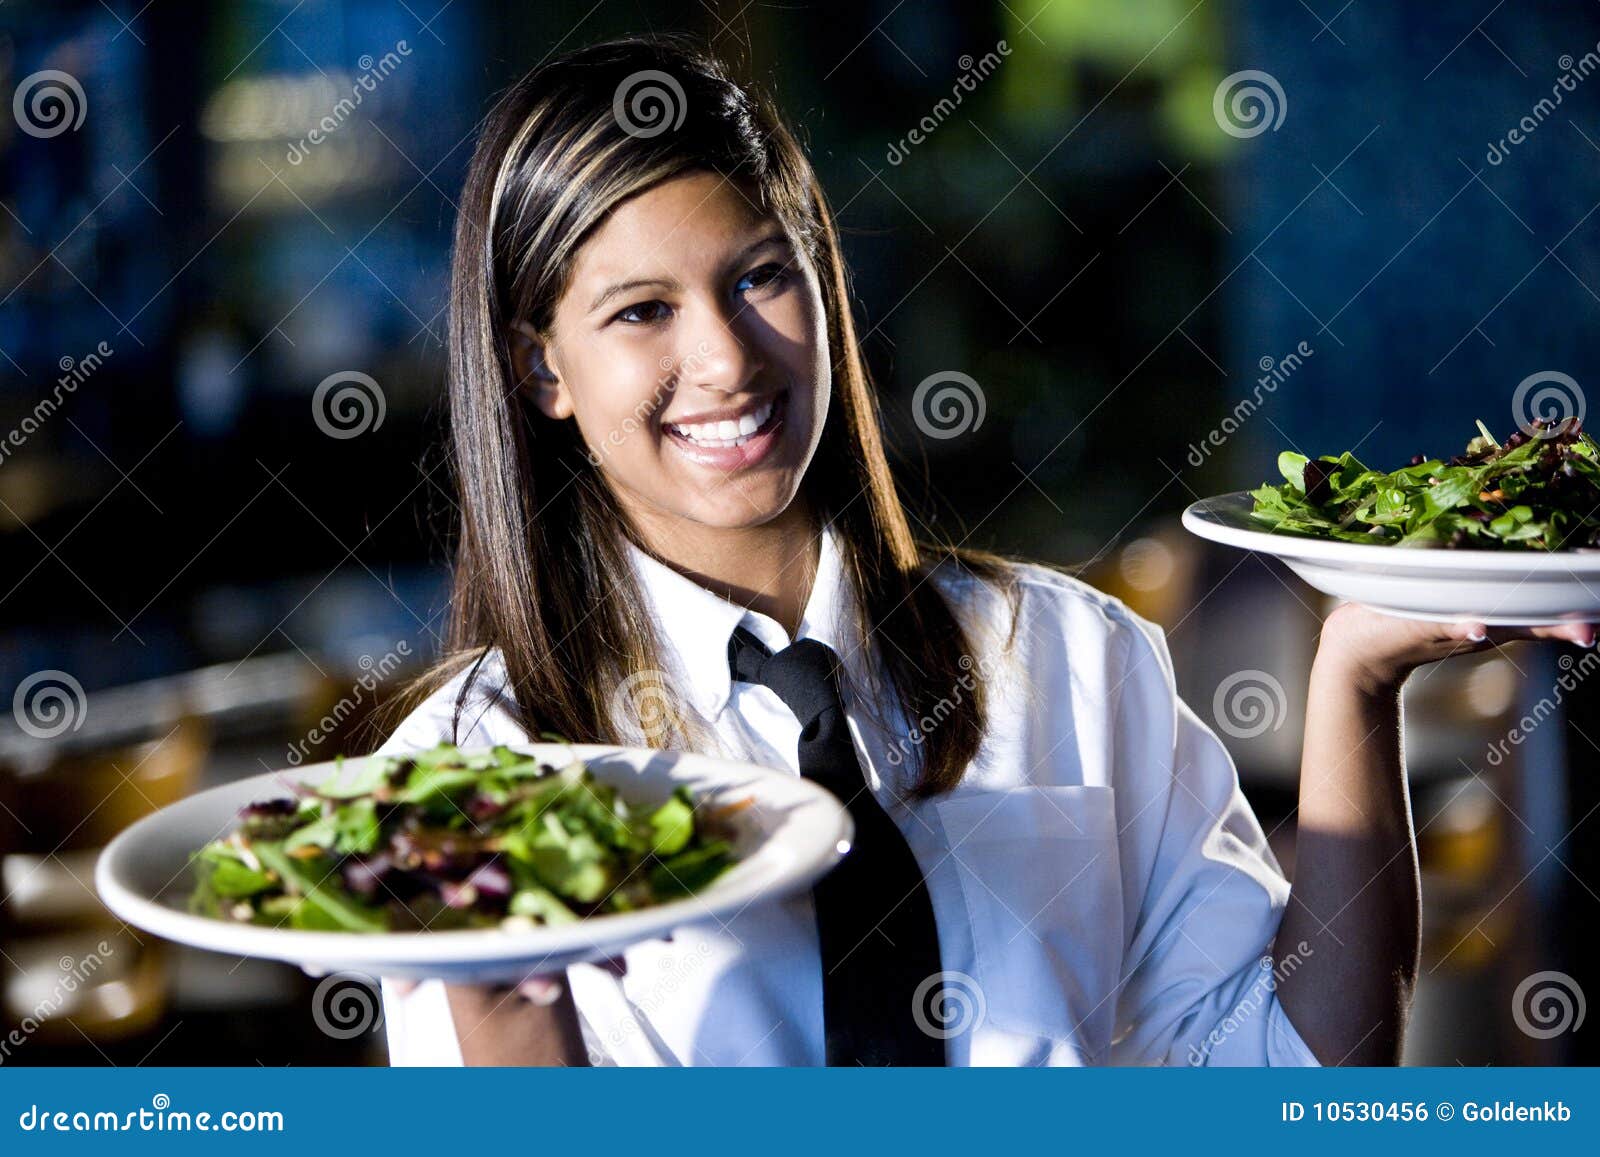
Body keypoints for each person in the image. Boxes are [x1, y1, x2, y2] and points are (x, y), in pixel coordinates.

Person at [375, 34, 1595, 1067]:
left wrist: (1355, 678)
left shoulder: (1067, 652)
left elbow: (1286, 1076)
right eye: (643, 311)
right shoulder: (471, 776)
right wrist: (507, 1030)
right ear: (540, 367)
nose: (730, 360)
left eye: (760, 278)